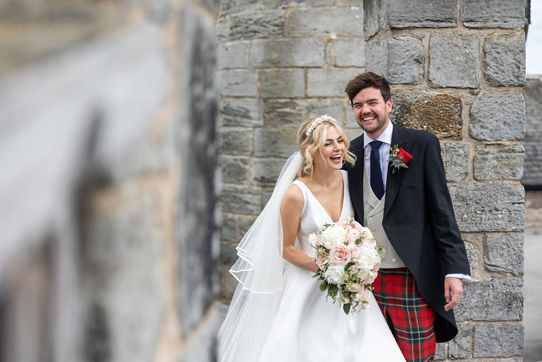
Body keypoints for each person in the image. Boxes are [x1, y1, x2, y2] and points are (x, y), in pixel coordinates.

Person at [218, 115, 406, 362]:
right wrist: (328, 267)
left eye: (340, 140)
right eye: (328, 143)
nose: (338, 148)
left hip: (349, 286)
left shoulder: (349, 181)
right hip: (307, 287)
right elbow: (285, 247)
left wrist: (356, 264)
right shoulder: (296, 194)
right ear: (309, 151)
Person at [343, 72, 471, 361]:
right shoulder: (349, 154)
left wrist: (454, 270)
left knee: (416, 356)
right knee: (370, 355)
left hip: (410, 275)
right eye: (357, 104)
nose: (365, 110)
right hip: (365, 280)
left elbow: (441, 210)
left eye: (372, 102)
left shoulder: (421, 144)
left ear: (389, 104)